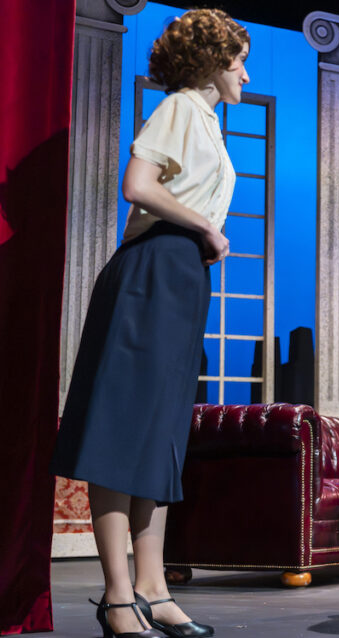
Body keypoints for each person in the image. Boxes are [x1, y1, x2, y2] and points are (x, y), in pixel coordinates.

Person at [50, 9, 249, 637]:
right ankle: (116, 596)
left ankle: (153, 587)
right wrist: (206, 227)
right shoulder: (182, 107)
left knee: (160, 435)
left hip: (181, 277)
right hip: (154, 272)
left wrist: (201, 238)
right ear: (213, 62)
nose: (243, 71)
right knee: (124, 431)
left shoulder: (208, 121)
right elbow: (138, 183)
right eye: (238, 59)